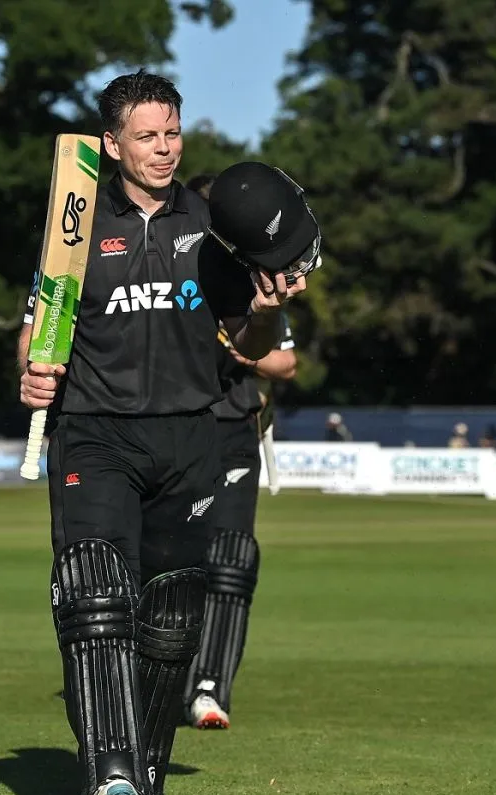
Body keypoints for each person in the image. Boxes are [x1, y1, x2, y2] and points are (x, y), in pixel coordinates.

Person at [17, 70, 317, 795]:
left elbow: (250, 346)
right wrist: (31, 367)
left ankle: (147, 773)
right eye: (147, 136)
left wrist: (259, 315)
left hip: (189, 439)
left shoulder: (214, 225)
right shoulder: (77, 219)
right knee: (94, 595)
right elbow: (39, 322)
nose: (163, 148)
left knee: (171, 619)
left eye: (172, 133)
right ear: (112, 144)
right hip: (95, 430)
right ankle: (108, 775)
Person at [178, 162, 300, 733]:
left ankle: (210, 684)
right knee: (173, 558)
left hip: (231, 426)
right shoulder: (173, 262)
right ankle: (165, 670)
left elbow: (285, 361)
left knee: (230, 559)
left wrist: (239, 341)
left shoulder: (256, 280)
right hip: (176, 425)